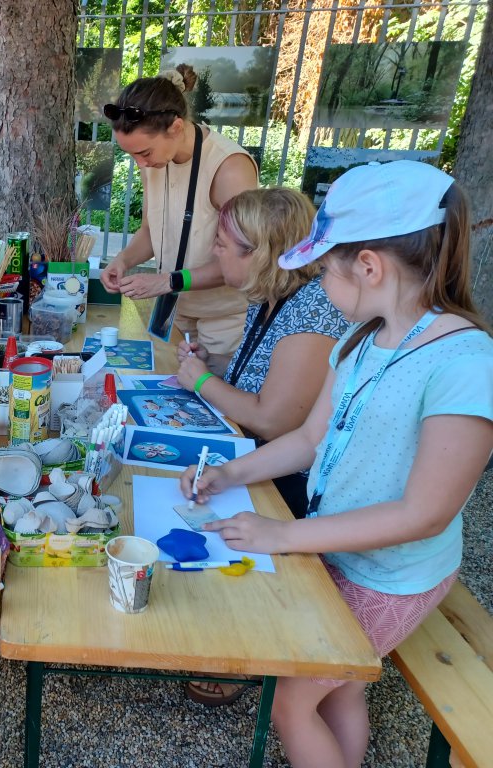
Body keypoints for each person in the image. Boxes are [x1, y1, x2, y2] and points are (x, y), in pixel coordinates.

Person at [181, 161, 493, 768]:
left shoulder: (465, 363)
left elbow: (424, 514)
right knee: (339, 688)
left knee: (292, 700)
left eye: (324, 269)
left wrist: (287, 534)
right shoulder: (361, 338)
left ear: (369, 267)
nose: (319, 284)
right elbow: (307, 440)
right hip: (343, 548)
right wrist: (231, 473)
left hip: (392, 575)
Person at [177, 188, 349, 522]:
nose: (214, 252)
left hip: (287, 488)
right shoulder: (268, 295)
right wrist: (212, 365)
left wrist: (202, 380)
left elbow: (273, 421)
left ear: (259, 254)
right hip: (250, 460)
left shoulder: (314, 309)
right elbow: (264, 377)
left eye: (221, 244)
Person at [100, 65, 258, 374]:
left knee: (212, 408)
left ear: (175, 127)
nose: (140, 163)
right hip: (175, 316)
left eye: (144, 153)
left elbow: (246, 260)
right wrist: (122, 260)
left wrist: (167, 280)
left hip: (223, 321)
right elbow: (150, 231)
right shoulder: (154, 161)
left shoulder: (229, 167)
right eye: (132, 156)